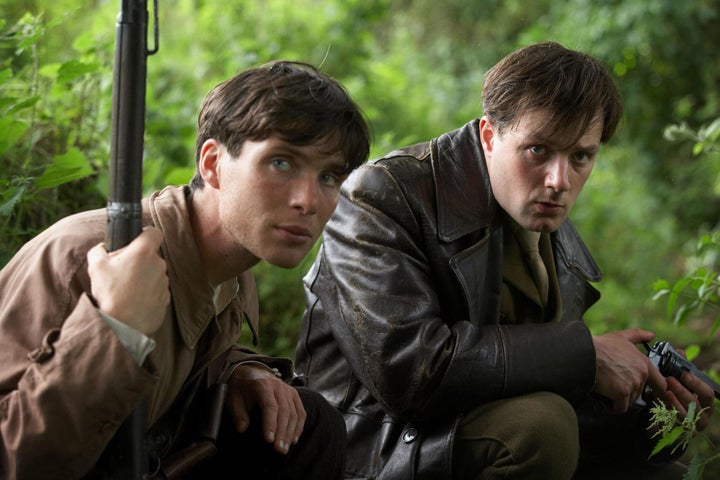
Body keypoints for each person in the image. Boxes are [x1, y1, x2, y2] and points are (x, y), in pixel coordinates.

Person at [294, 42, 715, 479]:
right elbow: (411, 373)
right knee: (542, 426)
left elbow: (542, 392)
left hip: (463, 438)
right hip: (365, 453)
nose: (559, 180)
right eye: (538, 151)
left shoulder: (553, 237)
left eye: (580, 157)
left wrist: (657, 421)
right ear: (489, 136)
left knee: (666, 469)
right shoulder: (382, 195)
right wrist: (585, 356)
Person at [0, 60, 371, 479]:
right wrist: (115, 331)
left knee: (308, 421)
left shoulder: (232, 269)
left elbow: (185, 346)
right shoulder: (83, 258)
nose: (308, 200)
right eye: (281, 163)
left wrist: (237, 369)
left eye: (328, 176)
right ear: (212, 164)